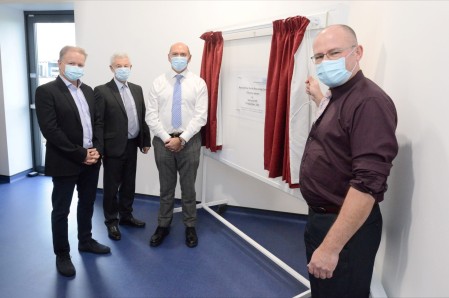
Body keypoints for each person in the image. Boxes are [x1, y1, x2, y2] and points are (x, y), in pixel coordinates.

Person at [300, 25, 398, 297]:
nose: (325, 62)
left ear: (358, 53)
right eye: (319, 57)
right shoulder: (338, 94)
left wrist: (331, 247)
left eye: (334, 53)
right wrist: (319, 96)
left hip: (345, 230)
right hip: (324, 218)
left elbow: (368, 184)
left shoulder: (369, 102)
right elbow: (340, 136)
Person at [35, 46, 110, 278]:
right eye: (71, 63)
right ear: (59, 63)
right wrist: (80, 154)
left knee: (87, 204)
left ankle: (85, 241)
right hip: (65, 160)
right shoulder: (46, 91)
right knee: (61, 209)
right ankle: (62, 254)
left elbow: (97, 122)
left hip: (91, 159)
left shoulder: (88, 91)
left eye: (80, 64)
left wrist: (96, 149)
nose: (76, 68)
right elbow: (51, 130)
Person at [145, 42, 208, 248]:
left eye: (183, 54)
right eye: (175, 54)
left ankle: (190, 226)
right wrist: (167, 138)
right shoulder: (158, 83)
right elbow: (151, 116)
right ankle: (163, 225)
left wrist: (182, 139)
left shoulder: (199, 84)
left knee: (188, 188)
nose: (179, 57)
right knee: (166, 187)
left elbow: (200, 117)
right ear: (168, 56)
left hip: (189, 141)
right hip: (162, 141)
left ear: (190, 58)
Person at [94, 53, 151, 241]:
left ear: (131, 67)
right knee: (111, 187)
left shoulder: (137, 89)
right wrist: (100, 149)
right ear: (111, 68)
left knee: (129, 183)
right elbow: (99, 123)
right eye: (119, 66)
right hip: (112, 148)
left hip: (132, 144)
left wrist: (145, 141)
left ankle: (126, 216)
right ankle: (111, 221)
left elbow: (141, 116)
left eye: (126, 65)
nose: (123, 69)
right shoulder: (102, 91)